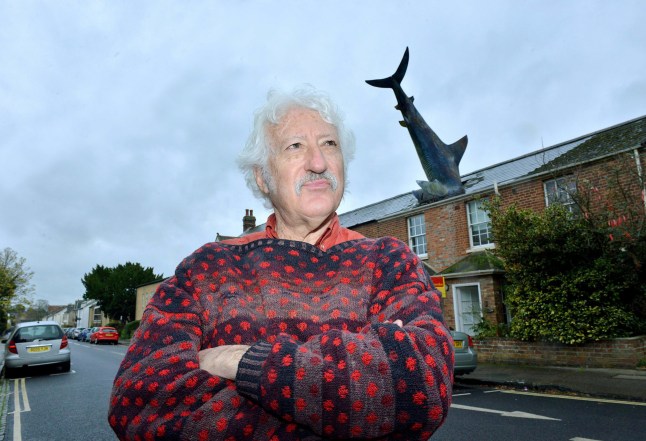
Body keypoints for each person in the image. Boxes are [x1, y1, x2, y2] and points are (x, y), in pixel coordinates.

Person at [108, 86, 454, 440]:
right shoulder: (208, 268)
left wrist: (242, 363)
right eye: (295, 146)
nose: (318, 163)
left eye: (329, 144)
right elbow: (140, 399)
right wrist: (351, 399)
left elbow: (422, 385)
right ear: (262, 176)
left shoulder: (388, 260)